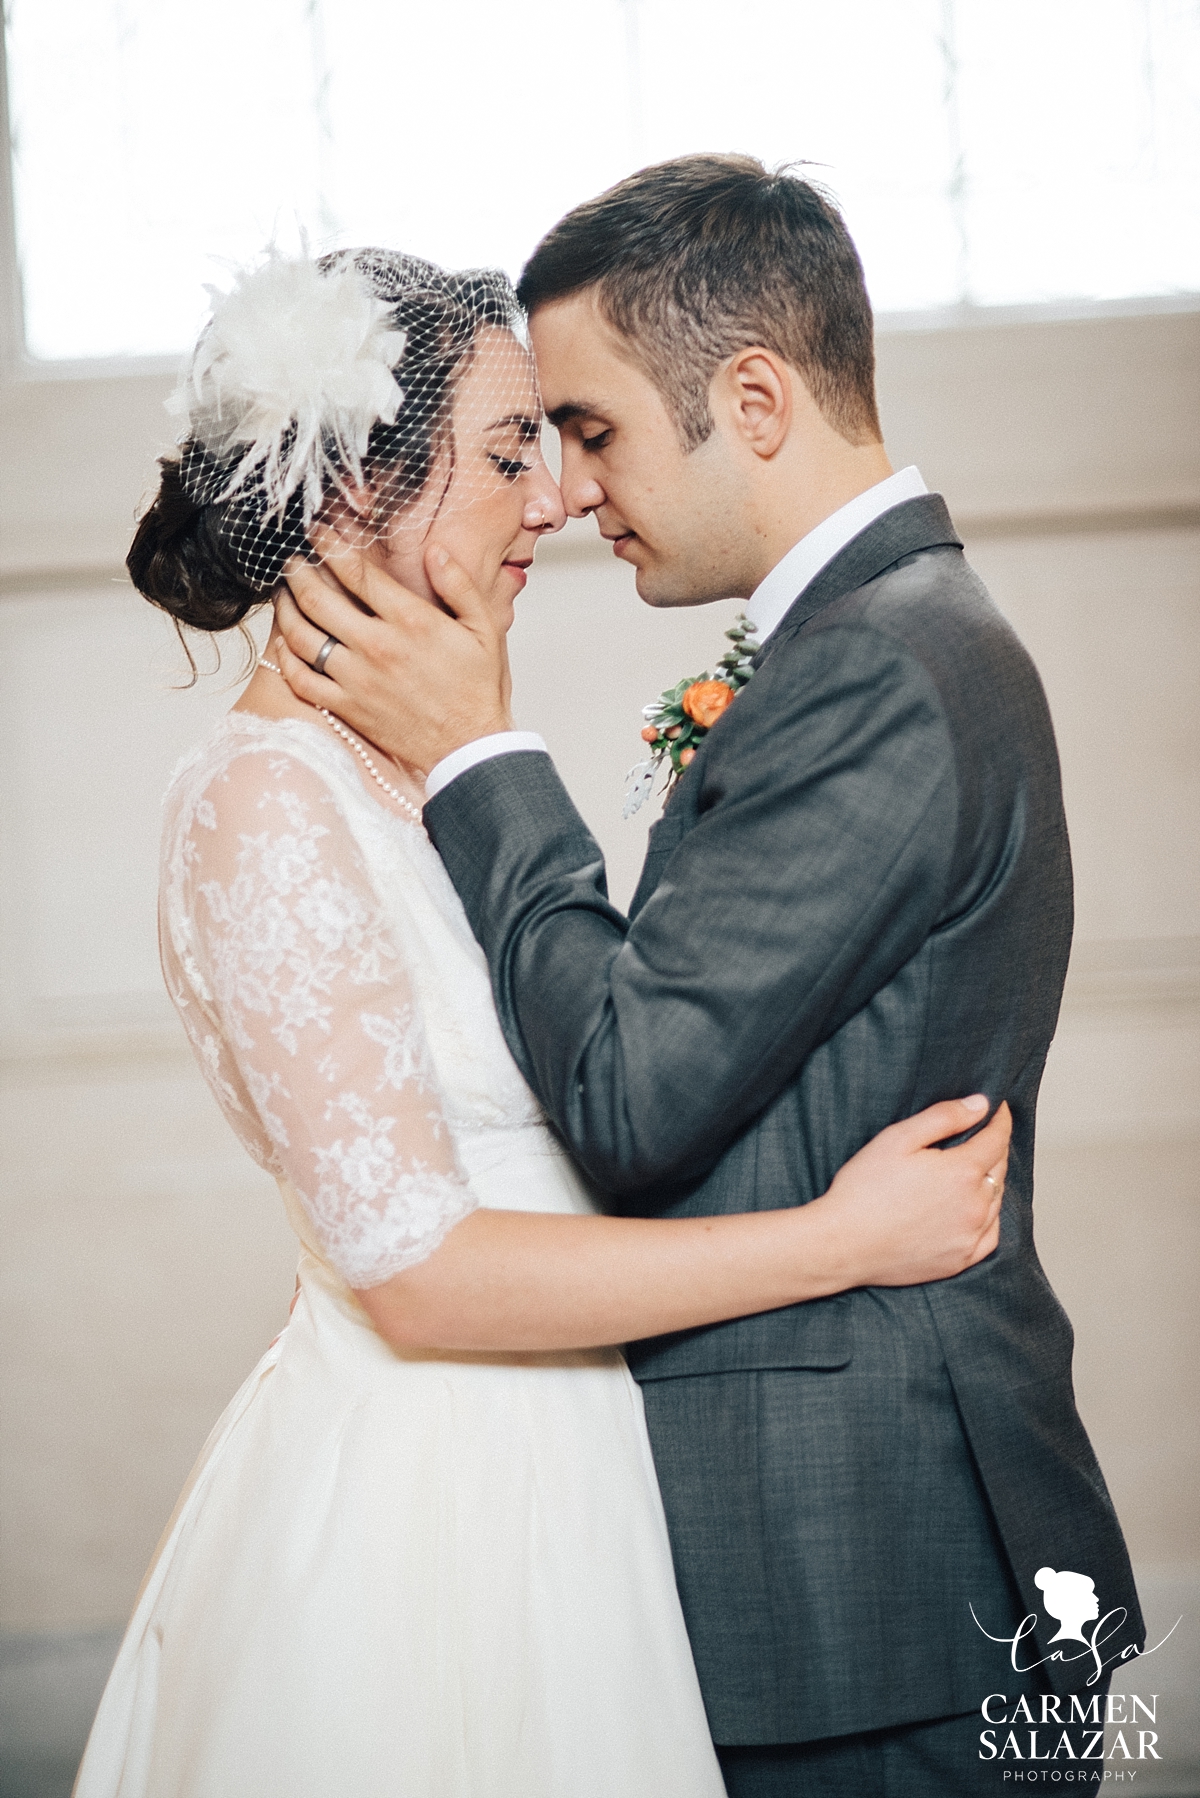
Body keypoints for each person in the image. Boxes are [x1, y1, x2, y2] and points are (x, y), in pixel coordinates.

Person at [74, 246, 1010, 1798]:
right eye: (511, 452)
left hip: (580, 1469)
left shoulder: (423, 772)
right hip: (433, 1505)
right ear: (353, 491)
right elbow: (424, 1278)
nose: (558, 502)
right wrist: (844, 1238)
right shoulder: (260, 804)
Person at [274, 159, 1144, 1796]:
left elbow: (630, 1094)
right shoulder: (883, 638)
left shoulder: (882, 668)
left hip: (865, 1583)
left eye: (590, 429)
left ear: (751, 398)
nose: (571, 494)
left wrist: (475, 750)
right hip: (864, 1565)